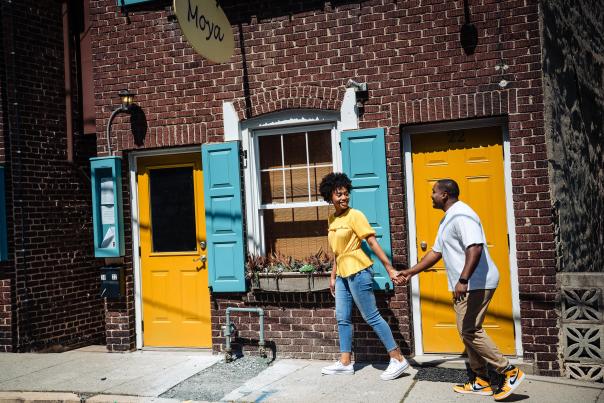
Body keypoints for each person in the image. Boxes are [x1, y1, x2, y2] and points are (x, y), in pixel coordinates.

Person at [399, 179, 524, 401]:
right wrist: (410, 272)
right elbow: (435, 253)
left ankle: (509, 372)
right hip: (467, 284)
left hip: (476, 282)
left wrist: (463, 279)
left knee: (470, 330)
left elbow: (475, 247)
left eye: (433, 192)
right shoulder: (447, 219)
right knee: (467, 332)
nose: (431, 196)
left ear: (445, 195)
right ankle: (482, 381)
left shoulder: (462, 215)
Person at [318, 172, 408, 381]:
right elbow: (337, 251)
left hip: (358, 271)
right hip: (341, 274)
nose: (343, 198)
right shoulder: (332, 218)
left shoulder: (355, 215)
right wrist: (332, 276)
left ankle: (397, 358)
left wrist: (389, 268)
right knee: (342, 318)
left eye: (346, 194)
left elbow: (372, 242)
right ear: (329, 196)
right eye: (338, 194)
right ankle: (345, 362)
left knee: (371, 316)